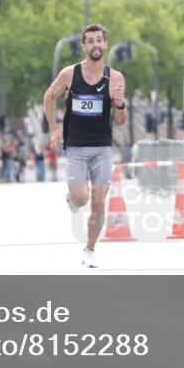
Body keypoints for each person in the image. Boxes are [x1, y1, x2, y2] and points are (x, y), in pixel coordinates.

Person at [43, 23, 127, 268]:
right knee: (81, 199)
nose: (95, 45)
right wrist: (54, 128)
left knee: (98, 202)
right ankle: (72, 197)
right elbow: (49, 96)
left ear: (105, 44)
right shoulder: (70, 74)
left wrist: (120, 104)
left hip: (102, 147)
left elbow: (121, 120)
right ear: (84, 46)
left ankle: (90, 249)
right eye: (90, 41)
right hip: (77, 146)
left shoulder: (116, 78)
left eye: (99, 40)